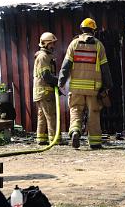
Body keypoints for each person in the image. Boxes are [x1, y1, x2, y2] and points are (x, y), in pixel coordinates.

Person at [58, 18, 113, 150]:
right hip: (93, 88)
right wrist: (108, 85)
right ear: (93, 30)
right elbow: (105, 69)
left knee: (76, 110)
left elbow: (65, 67)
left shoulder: (74, 44)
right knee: (93, 113)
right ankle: (94, 142)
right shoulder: (99, 45)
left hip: (76, 88)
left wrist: (61, 82)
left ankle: (76, 131)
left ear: (82, 29)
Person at [33, 32, 60, 145]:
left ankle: (41, 139)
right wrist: (59, 81)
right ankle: (55, 140)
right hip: (45, 92)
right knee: (51, 116)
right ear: (44, 44)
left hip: (41, 92)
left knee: (42, 117)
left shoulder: (45, 56)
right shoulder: (43, 57)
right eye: (51, 44)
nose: (53, 46)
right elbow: (46, 76)